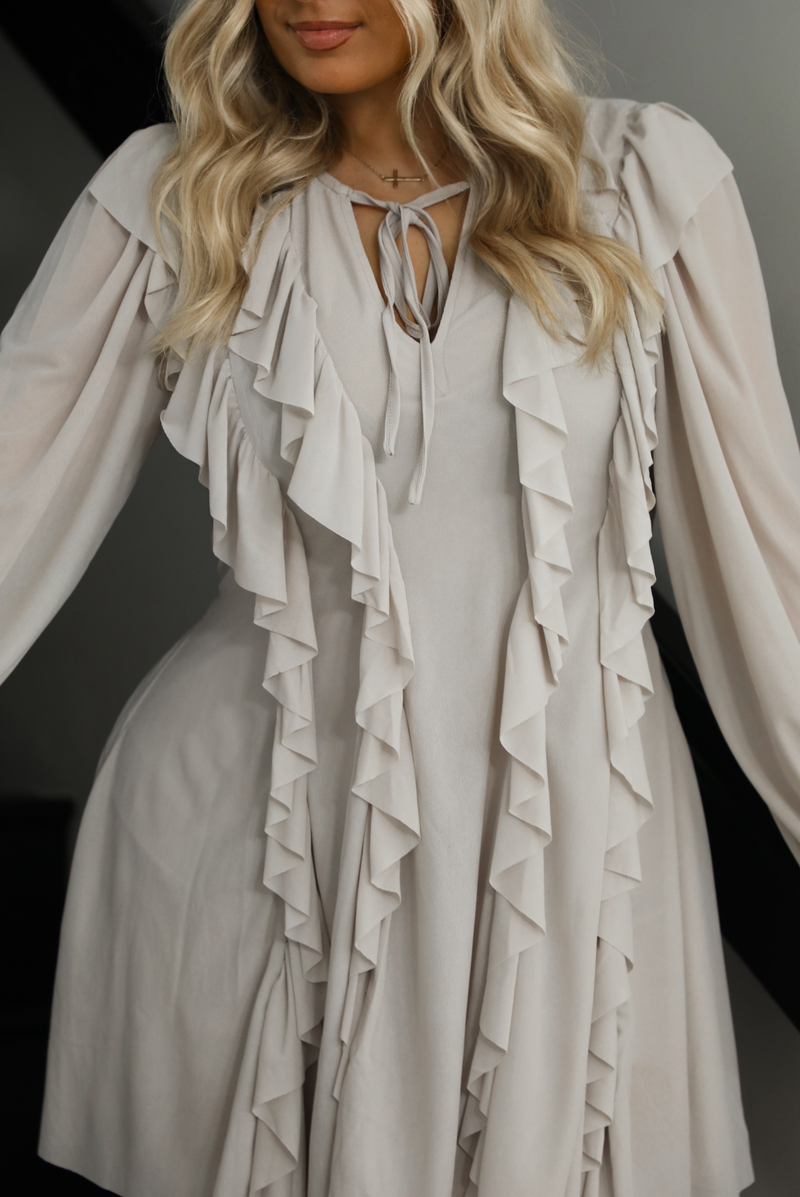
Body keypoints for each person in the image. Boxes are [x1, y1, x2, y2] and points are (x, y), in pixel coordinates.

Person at [1, 0, 798, 1192]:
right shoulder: (182, 192)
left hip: (569, 844)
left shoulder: (638, 181)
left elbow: (767, 565)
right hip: (262, 848)